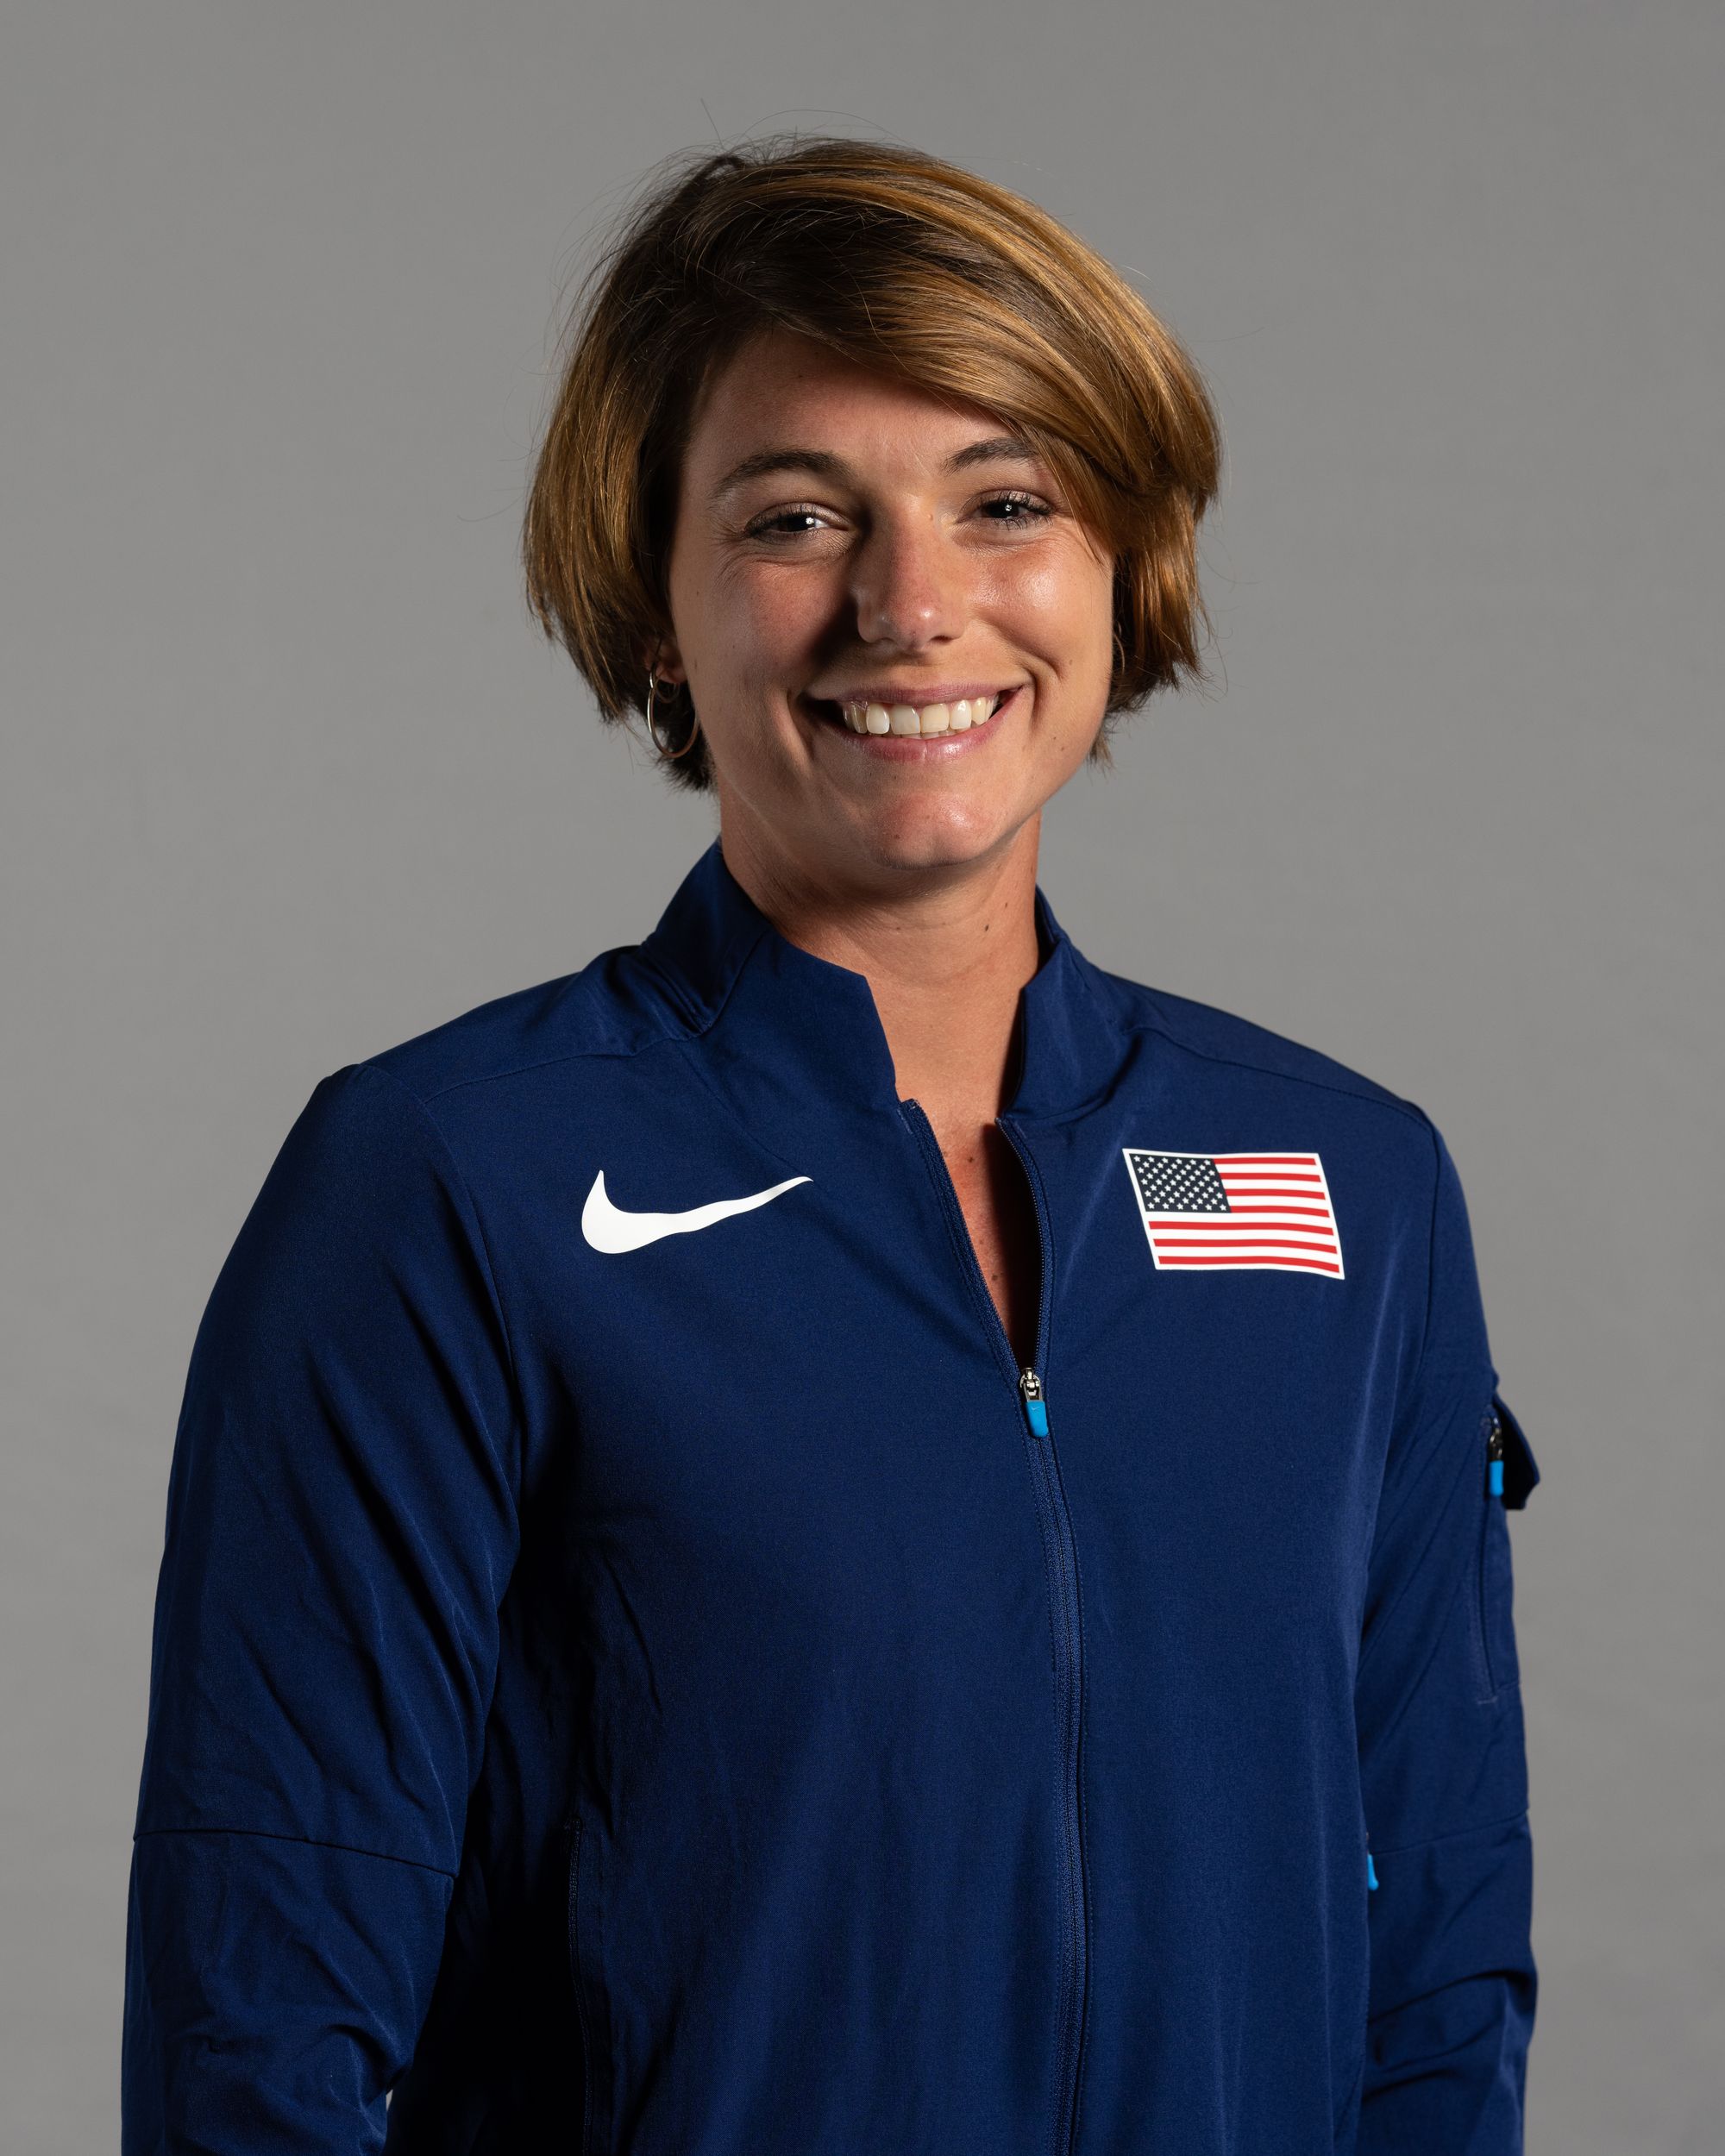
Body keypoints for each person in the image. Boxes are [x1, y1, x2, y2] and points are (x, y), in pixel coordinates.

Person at [122, 136, 1541, 2154]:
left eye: (1006, 501)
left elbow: (1439, 1971)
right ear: (655, 601)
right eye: (796, 517)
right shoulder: (452, 1179)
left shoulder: (1351, 1185)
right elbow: (255, 2022)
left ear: (1121, 569)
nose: (911, 605)